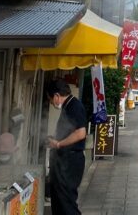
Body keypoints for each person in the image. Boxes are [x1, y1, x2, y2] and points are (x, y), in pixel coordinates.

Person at [46, 78, 87, 215]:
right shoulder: (68, 106)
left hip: (70, 162)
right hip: (64, 161)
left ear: (57, 96)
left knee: (66, 203)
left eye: (50, 99)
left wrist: (58, 144)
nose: (51, 103)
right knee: (59, 201)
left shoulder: (74, 106)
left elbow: (81, 133)